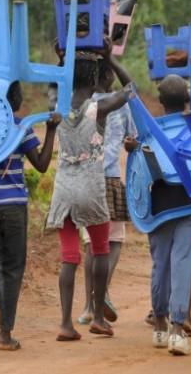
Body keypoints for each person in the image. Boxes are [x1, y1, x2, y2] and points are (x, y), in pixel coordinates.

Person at [46, 43, 133, 341]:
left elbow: (53, 84)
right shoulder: (100, 108)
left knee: (69, 257)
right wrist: (110, 58)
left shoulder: (55, 105)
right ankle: (97, 316)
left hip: (64, 190)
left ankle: (65, 324)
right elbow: (131, 90)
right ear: (95, 77)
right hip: (92, 189)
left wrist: (62, 59)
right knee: (100, 250)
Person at [125, 74, 191, 355]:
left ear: (160, 101)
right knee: (182, 262)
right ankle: (176, 330)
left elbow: (142, 163)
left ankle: (159, 324)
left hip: (159, 205)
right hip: (190, 203)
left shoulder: (149, 131)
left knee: (160, 264)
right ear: (187, 99)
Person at [0, 81, 61, 352]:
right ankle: (4, 333)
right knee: (12, 268)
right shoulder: (21, 127)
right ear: (13, 97)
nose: (22, 96)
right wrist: (51, 130)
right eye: (20, 92)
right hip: (13, 206)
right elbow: (42, 165)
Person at [76, 60, 137, 326]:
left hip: (84, 179)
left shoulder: (80, 104)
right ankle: (102, 292)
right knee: (114, 240)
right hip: (110, 178)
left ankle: (90, 305)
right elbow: (133, 138)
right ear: (110, 75)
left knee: (91, 243)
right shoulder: (119, 104)